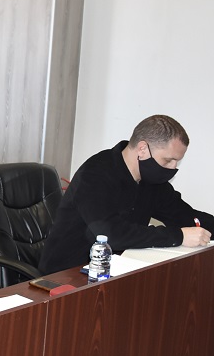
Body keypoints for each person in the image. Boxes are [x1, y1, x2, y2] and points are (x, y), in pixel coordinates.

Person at [40, 115, 213, 274]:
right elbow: (112, 234)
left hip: (118, 269)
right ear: (142, 149)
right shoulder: (95, 174)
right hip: (67, 274)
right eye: (168, 160)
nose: (173, 168)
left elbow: (184, 215)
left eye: (177, 162)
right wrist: (178, 236)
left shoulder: (151, 181)